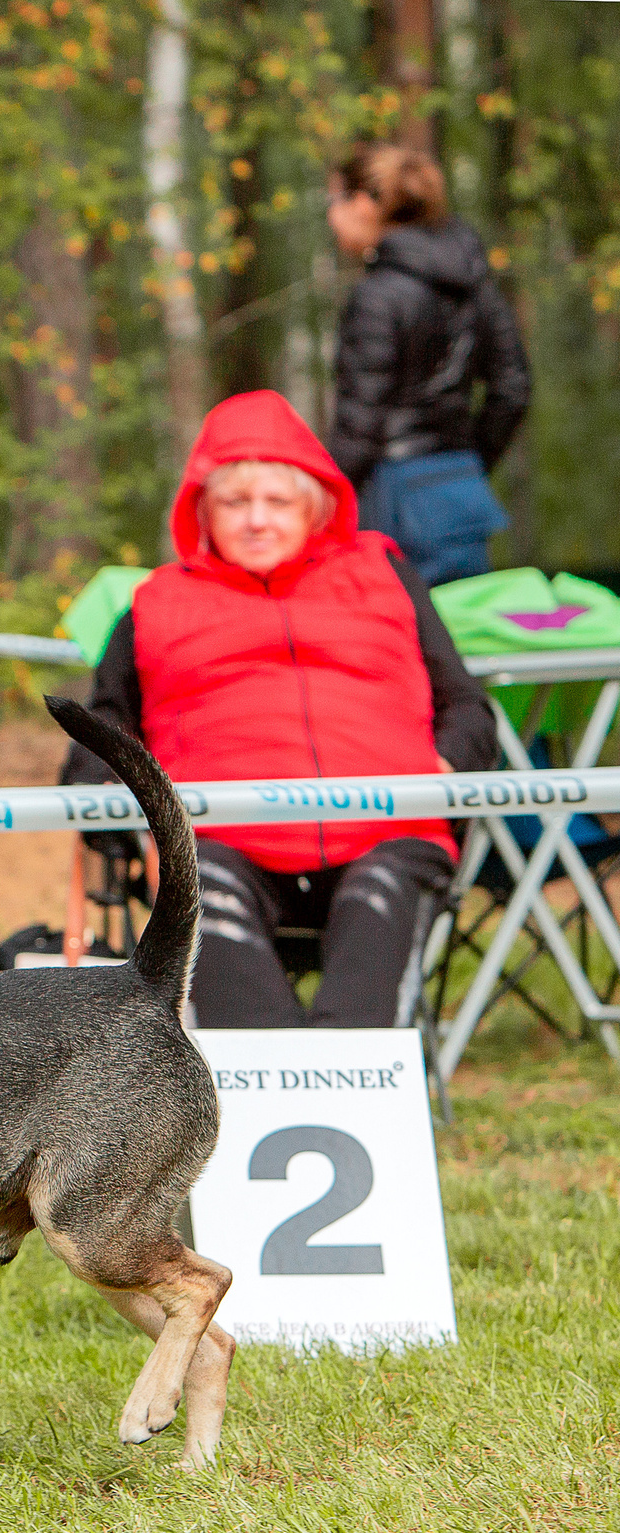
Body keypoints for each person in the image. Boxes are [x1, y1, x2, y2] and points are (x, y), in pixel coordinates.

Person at [62, 390, 494, 1028]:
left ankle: (349, 1076)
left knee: (378, 920)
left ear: (315, 508)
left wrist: (445, 767)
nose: (257, 521)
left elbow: (469, 707)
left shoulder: (387, 576)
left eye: (278, 502)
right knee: (205, 903)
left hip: (388, 834)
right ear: (202, 511)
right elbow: (100, 733)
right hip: (216, 844)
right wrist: (109, 797)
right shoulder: (154, 604)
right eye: (235, 502)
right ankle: (268, 1079)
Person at [325, 141, 530, 587]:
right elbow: (513, 388)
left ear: (363, 204)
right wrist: (469, 463)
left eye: (333, 202)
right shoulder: (476, 284)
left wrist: (319, 500)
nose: (331, 218)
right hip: (460, 490)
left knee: (393, 627)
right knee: (462, 625)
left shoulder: (377, 295)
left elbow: (360, 426)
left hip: (392, 497)